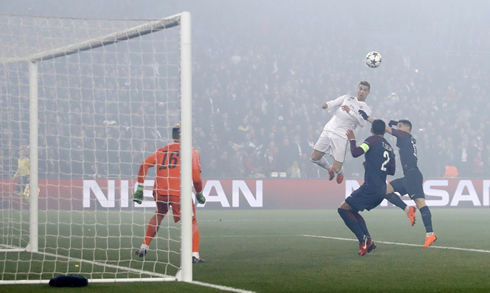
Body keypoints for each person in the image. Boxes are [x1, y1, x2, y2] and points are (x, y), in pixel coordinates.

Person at [359, 111, 437, 247]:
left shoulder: (405, 135)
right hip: (408, 175)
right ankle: (408, 210)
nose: (398, 128)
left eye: (400, 126)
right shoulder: (406, 137)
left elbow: (383, 127)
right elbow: (394, 126)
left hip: (412, 175)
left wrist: (367, 118)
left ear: (407, 128)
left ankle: (430, 234)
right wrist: (395, 122)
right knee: (384, 191)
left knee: (420, 203)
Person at [132, 123, 207, 263]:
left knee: (159, 214)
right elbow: (196, 178)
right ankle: (194, 255)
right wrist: (199, 193)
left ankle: (144, 246)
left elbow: (144, 164)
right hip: (178, 193)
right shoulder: (192, 152)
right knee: (191, 221)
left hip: (160, 192)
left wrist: (140, 187)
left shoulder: (161, 150)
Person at [338, 120, 396, 256]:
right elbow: (391, 170)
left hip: (371, 187)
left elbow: (356, 152)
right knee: (352, 210)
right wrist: (372, 165)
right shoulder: (389, 147)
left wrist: (352, 140)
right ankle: (368, 240)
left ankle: (363, 240)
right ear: (384, 131)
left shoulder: (371, 141)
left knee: (343, 209)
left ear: (372, 130)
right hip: (382, 189)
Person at [310, 81, 372, 184]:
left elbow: (362, 123)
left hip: (341, 136)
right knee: (314, 158)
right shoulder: (347, 97)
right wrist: (327, 105)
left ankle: (339, 173)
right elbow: (334, 102)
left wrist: (350, 112)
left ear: (368, 93)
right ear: (357, 89)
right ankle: (329, 169)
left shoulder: (366, 109)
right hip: (329, 130)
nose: (361, 91)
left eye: (364, 90)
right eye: (360, 88)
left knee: (337, 168)